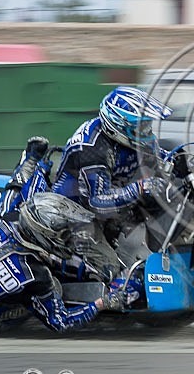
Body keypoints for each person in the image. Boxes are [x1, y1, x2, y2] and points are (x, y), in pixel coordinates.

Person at [0, 192, 125, 333]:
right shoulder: (36, 273)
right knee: (54, 285)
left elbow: (13, 188)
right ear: (41, 234)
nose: (68, 236)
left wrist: (32, 159)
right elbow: (62, 323)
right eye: (63, 233)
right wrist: (102, 304)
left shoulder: (7, 219)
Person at [50, 86, 173, 278]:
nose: (146, 132)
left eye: (147, 126)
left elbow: (158, 158)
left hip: (113, 205)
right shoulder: (92, 148)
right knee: (113, 273)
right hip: (76, 216)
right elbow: (97, 201)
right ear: (119, 125)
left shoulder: (133, 139)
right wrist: (139, 188)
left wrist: (180, 160)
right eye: (141, 127)